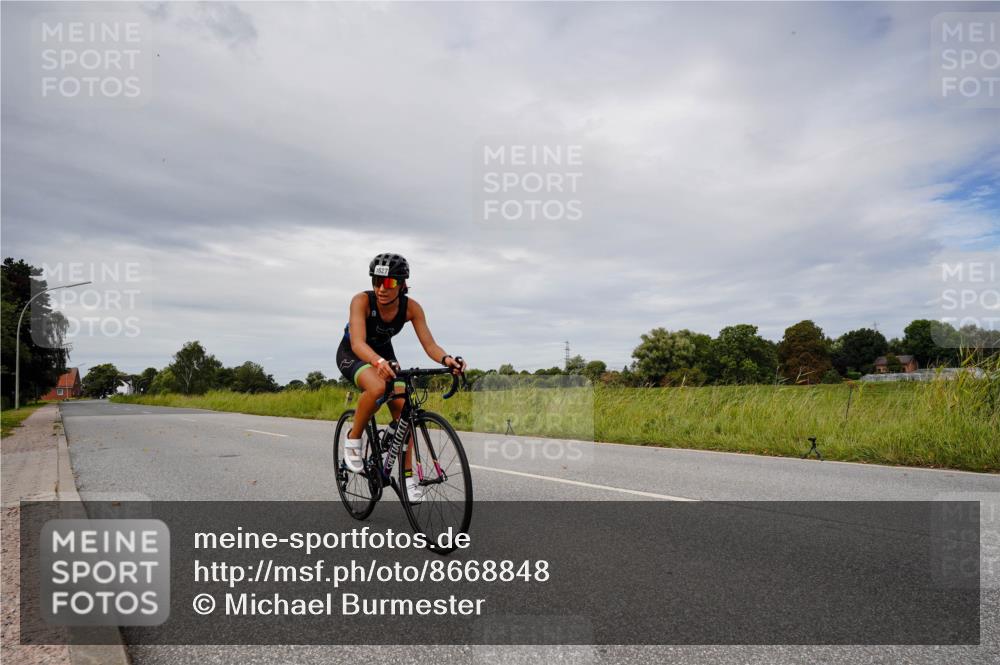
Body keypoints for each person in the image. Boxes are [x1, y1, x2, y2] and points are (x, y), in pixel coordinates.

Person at [336, 252, 466, 502]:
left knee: (404, 413)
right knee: (375, 388)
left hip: (384, 355)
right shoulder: (362, 301)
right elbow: (358, 342)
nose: (381, 288)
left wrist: (448, 360)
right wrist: (377, 362)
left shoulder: (411, 308)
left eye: (389, 283)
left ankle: (408, 479)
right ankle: (353, 440)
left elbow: (430, 345)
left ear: (402, 284)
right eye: (376, 281)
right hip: (354, 353)